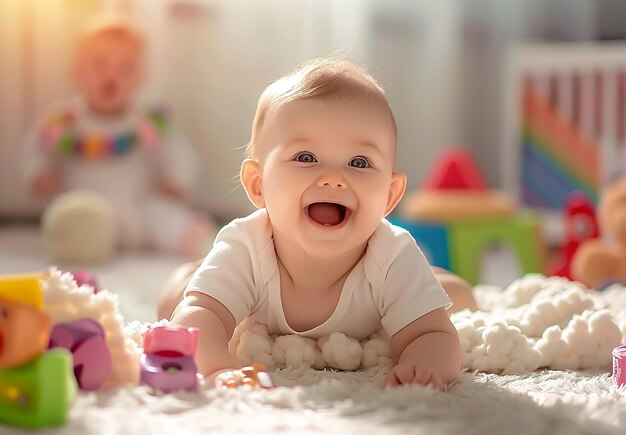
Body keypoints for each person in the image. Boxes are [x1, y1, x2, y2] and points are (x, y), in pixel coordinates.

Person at [160, 58, 470, 389]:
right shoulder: (246, 246)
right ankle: (194, 273)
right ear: (258, 184)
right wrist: (218, 369)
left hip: (383, 300)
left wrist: (423, 367)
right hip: (240, 290)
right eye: (306, 158)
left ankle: (435, 282)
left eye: (359, 162)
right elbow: (200, 319)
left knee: (457, 296)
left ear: (390, 196)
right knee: (177, 297)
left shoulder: (392, 253)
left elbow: (433, 336)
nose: (334, 178)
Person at [23, 16, 215, 258]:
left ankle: (191, 237)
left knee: (161, 213)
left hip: (136, 208)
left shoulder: (148, 121)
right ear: (77, 71)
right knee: (66, 218)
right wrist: (38, 174)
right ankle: (81, 246)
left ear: (140, 77)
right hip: (84, 209)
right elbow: (35, 149)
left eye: (125, 69)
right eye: (100, 65)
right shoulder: (63, 121)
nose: (111, 77)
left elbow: (179, 152)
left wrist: (177, 180)